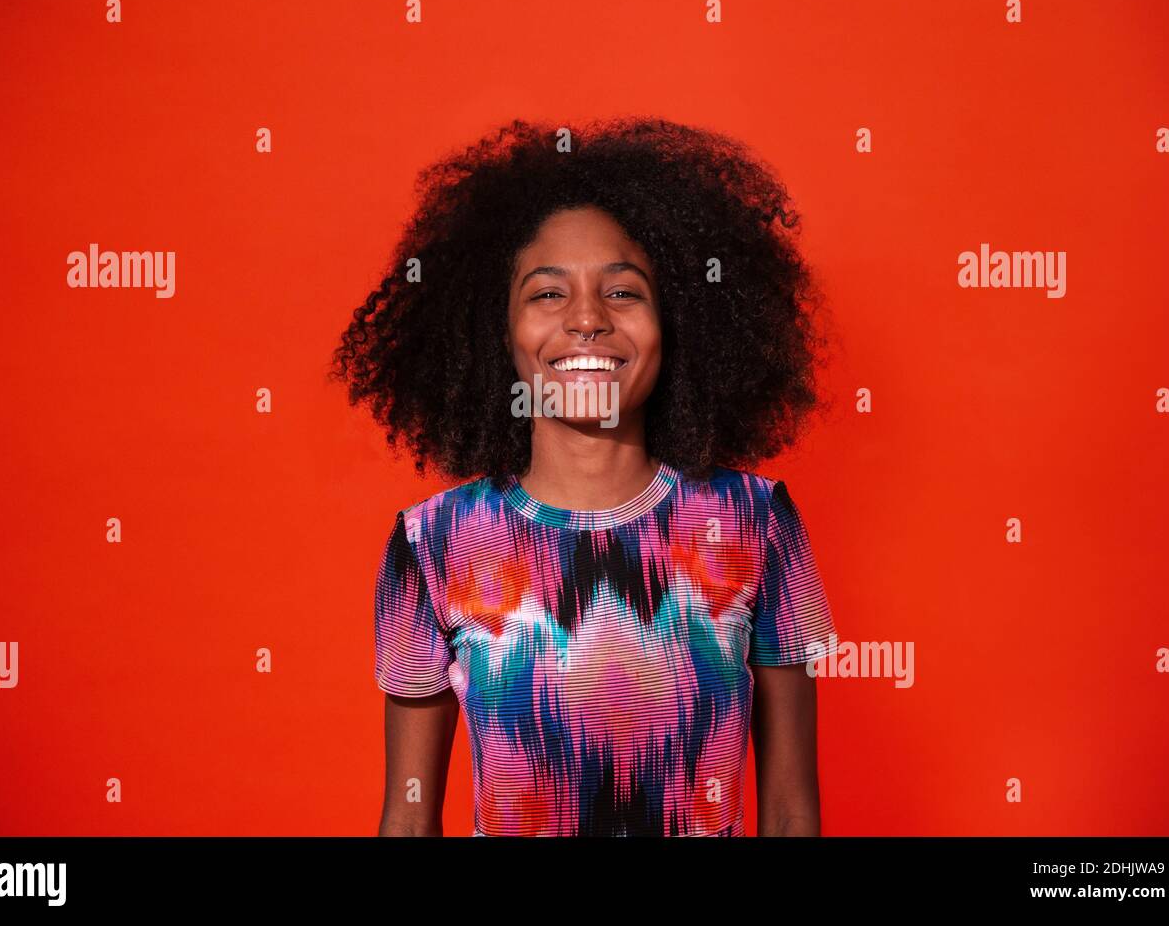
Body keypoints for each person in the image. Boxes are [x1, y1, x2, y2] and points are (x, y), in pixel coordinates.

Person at [328, 116, 839, 836]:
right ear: (496, 333)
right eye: (546, 294)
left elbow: (791, 815)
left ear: (679, 323)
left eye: (623, 291)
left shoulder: (756, 522)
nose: (588, 320)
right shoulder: (433, 542)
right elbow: (408, 821)